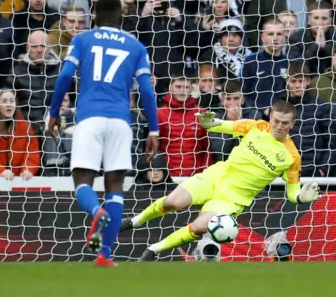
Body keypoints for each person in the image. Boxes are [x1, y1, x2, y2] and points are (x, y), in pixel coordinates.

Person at [119, 100, 322, 261]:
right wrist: (209, 122)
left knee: (199, 227)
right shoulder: (256, 127)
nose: (278, 127)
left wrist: (301, 197)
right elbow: (220, 125)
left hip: (232, 200)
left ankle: (153, 250)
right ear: (270, 117)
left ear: (292, 124)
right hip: (215, 177)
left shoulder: (292, 157)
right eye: (276, 121)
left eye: (285, 123)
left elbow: (292, 192)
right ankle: (135, 221)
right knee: (172, 202)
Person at [47, 0, 159, 267]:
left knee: (83, 181)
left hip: (89, 117)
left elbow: (64, 77)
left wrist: (53, 114)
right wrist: (153, 129)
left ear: (94, 14)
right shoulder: (136, 46)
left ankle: (96, 211)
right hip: (121, 121)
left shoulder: (82, 40)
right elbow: (145, 90)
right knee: (115, 187)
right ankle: (104, 255)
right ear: (121, 17)